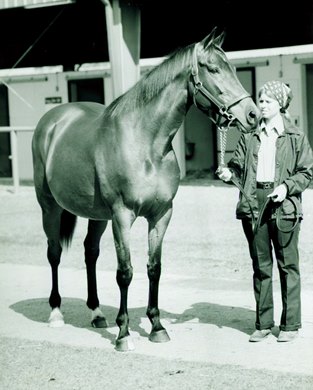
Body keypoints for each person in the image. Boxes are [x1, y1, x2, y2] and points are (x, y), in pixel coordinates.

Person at [217, 80, 313, 342]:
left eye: (268, 100)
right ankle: (263, 323)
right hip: (253, 203)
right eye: (261, 100)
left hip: (284, 205)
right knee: (261, 266)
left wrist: (286, 188)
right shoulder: (249, 136)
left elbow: (307, 172)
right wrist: (229, 173)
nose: (262, 105)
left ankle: (290, 326)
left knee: (288, 266)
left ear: (281, 104)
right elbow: (237, 167)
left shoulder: (296, 137)